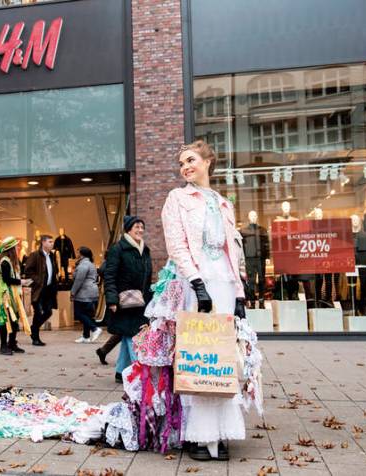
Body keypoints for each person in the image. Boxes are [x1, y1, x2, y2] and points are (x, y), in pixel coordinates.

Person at [154, 140, 258, 460]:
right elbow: (177, 245)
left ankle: (220, 434)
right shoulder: (177, 198)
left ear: (207, 161)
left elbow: (233, 250)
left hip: (224, 283)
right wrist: (197, 283)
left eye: (191, 160)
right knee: (200, 355)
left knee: (222, 358)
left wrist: (239, 294)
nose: (185, 167)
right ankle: (199, 437)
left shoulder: (224, 203)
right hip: (197, 282)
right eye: (181, 163)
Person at [104, 216, 153, 383]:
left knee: (129, 334)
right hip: (124, 302)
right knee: (133, 335)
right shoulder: (118, 249)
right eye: (136, 227)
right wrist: (111, 299)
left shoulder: (145, 249)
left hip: (140, 302)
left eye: (142, 227)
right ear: (128, 229)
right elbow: (110, 275)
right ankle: (138, 373)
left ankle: (121, 372)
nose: (140, 230)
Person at [0, 237, 31, 355]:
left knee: (14, 319)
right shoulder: (4, 261)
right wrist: (22, 282)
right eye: (16, 246)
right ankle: (3, 346)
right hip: (4, 295)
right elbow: (7, 279)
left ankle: (12, 343)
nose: (18, 248)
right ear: (11, 248)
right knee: (4, 320)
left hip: (12, 293)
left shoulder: (10, 260)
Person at [25, 234, 58, 346]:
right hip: (38, 289)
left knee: (48, 312)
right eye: (50, 242)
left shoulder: (52, 255)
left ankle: (33, 328)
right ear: (43, 243)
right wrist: (39, 280)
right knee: (38, 313)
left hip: (48, 289)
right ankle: (35, 338)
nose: (52, 244)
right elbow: (28, 271)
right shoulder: (35, 255)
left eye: (52, 242)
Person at [70, 246, 102, 344]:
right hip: (91, 292)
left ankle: (95, 328)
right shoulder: (90, 263)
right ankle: (86, 336)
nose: (76, 254)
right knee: (87, 314)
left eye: (78, 252)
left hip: (84, 293)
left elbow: (79, 280)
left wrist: (73, 292)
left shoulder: (84, 265)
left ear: (81, 254)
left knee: (79, 313)